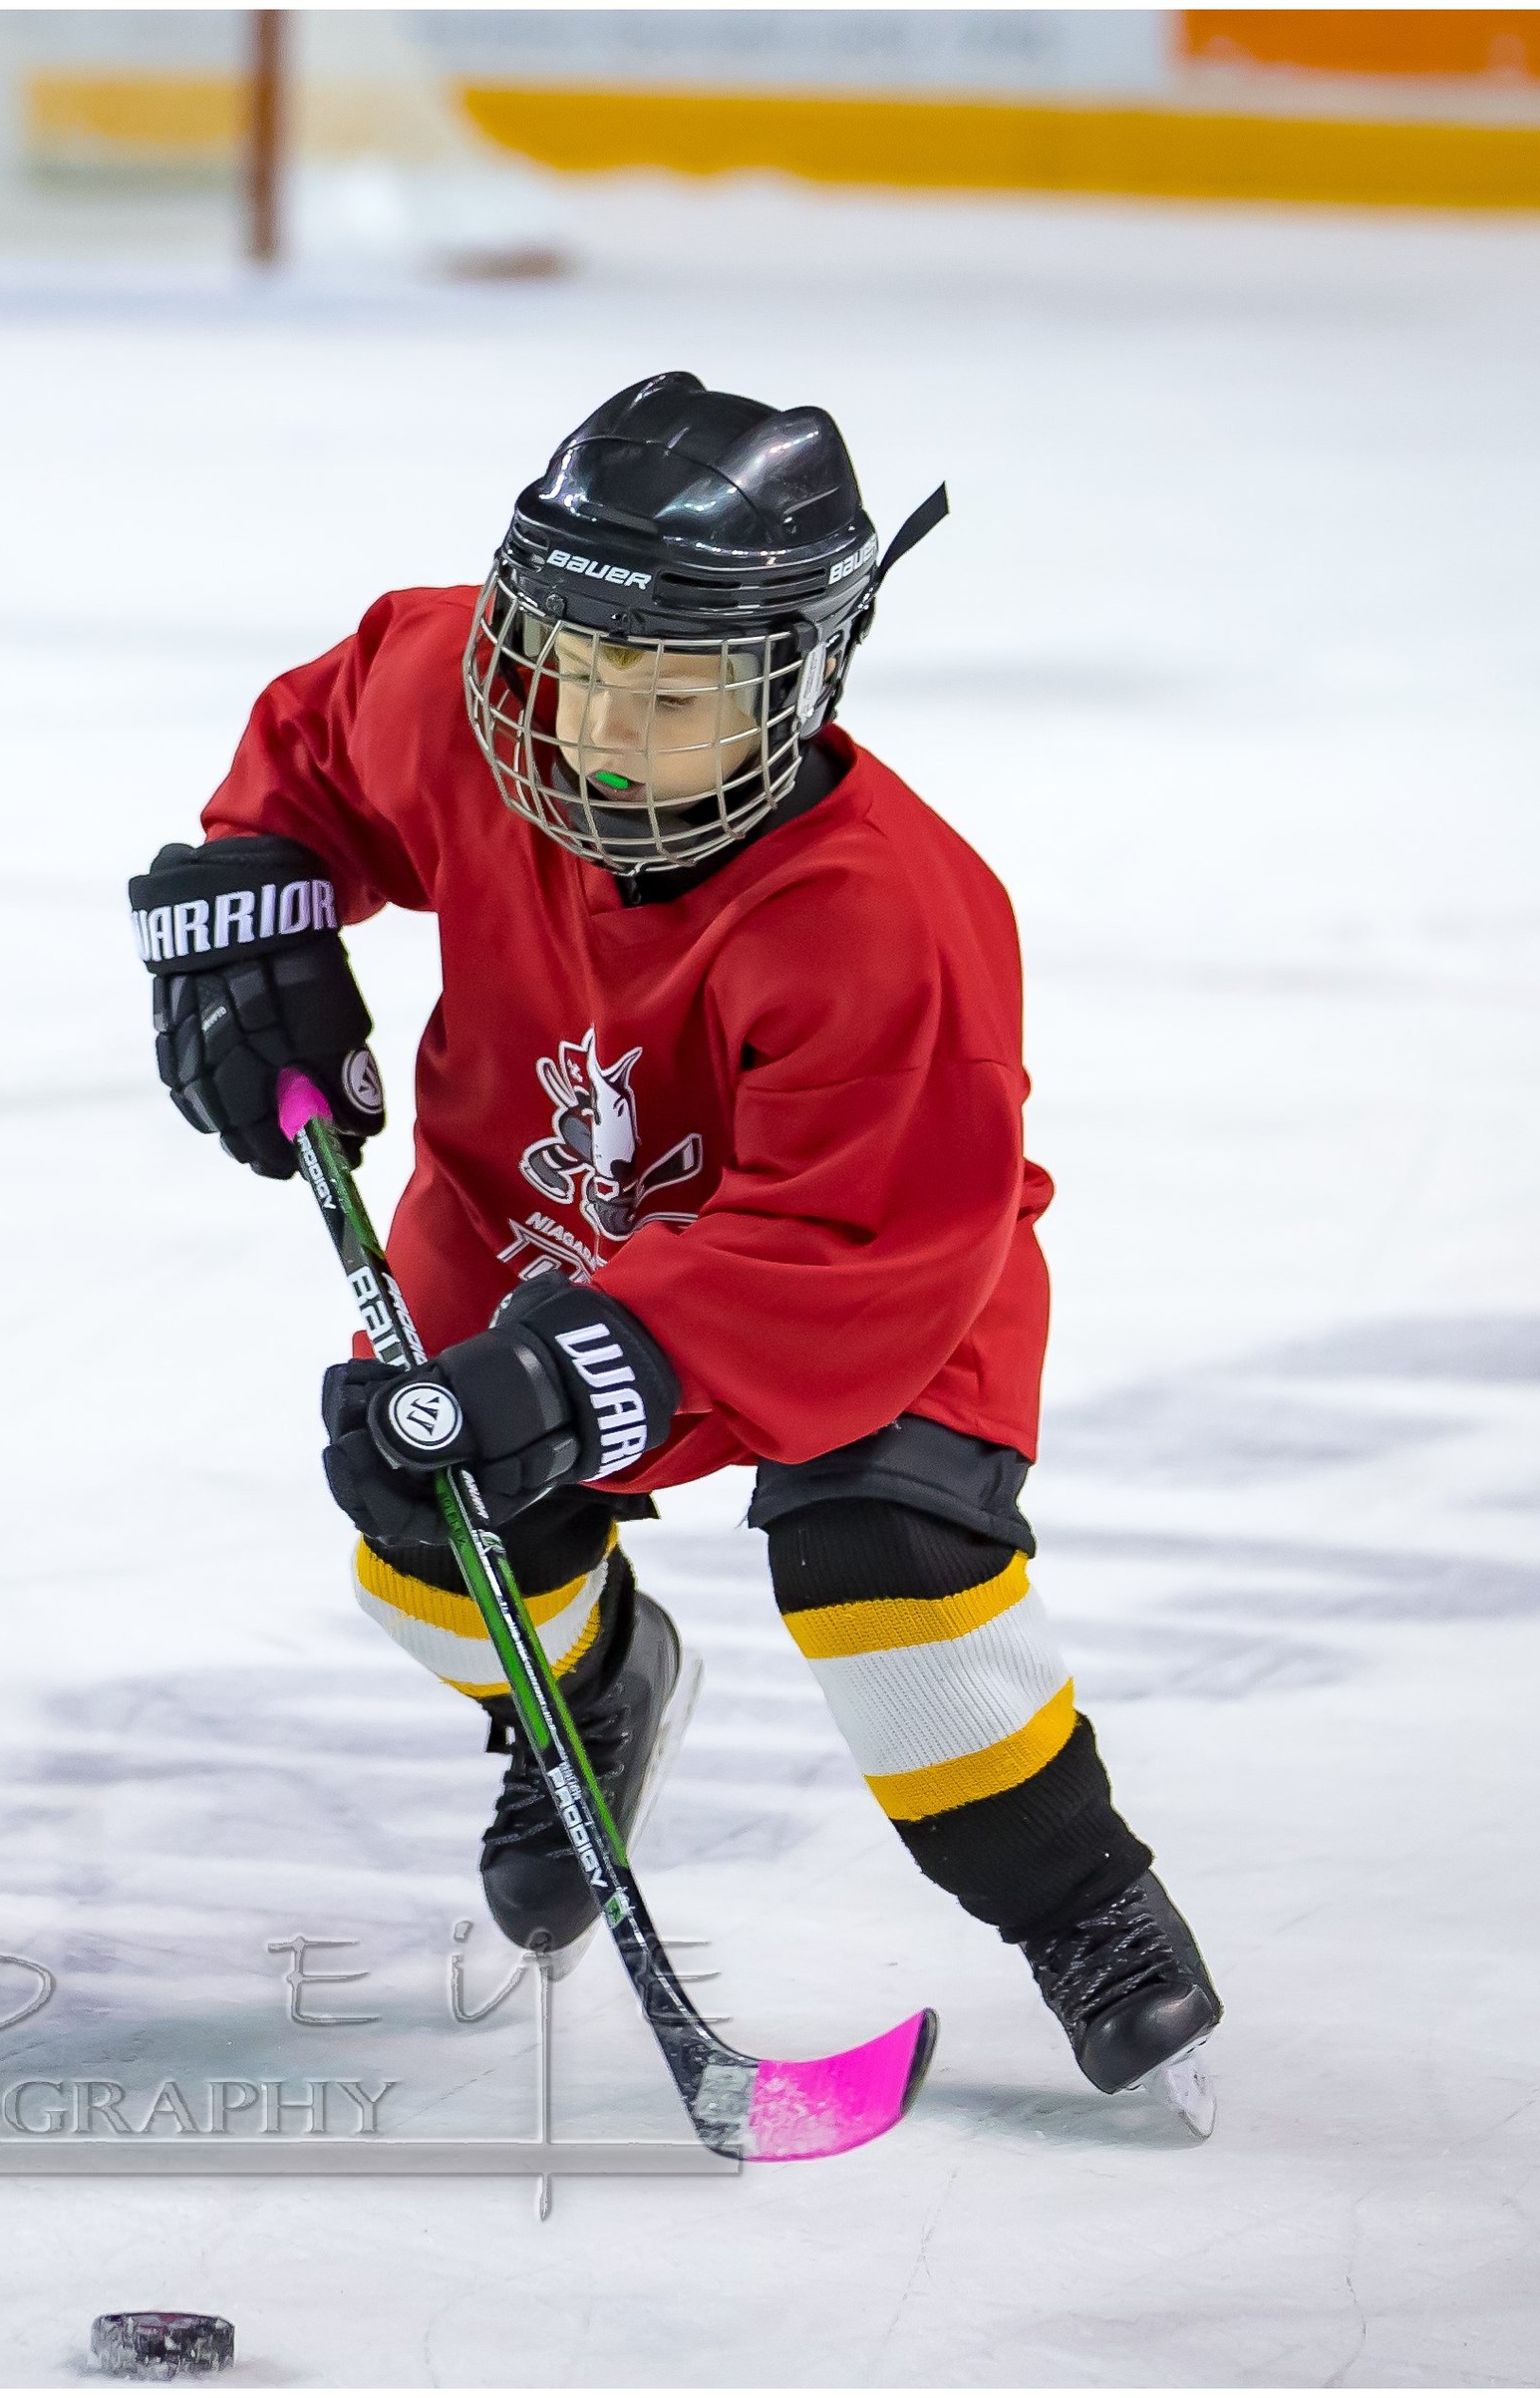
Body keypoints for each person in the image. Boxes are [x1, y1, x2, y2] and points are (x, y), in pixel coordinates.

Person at [129, 372, 1222, 2118]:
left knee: (888, 1580)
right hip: (526, 1220)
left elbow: (851, 1239)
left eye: (673, 690)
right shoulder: (482, 701)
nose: (596, 729)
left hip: (872, 1278)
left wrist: (585, 1374)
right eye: (572, 663)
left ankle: (1080, 1902)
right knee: (422, 1526)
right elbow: (324, 746)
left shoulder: (891, 916)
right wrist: (250, 917)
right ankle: (587, 1692)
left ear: (801, 677)